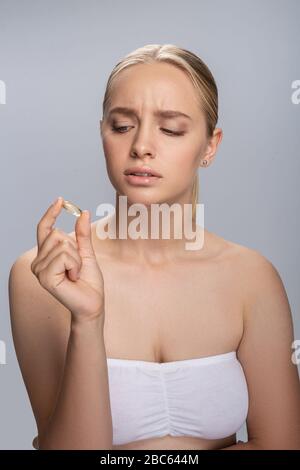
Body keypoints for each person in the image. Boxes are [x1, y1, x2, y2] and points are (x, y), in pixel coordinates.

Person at [8, 44, 300, 450]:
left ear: (210, 146)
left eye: (171, 129)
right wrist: (88, 319)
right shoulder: (41, 275)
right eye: (123, 126)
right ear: (102, 134)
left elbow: (283, 446)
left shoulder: (252, 278)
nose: (142, 145)